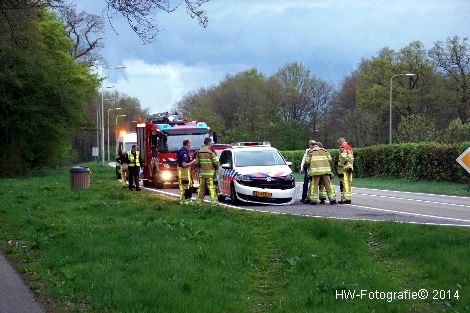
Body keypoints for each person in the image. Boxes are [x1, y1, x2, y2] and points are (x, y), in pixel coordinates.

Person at [195, 137, 219, 205]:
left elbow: (197, 163)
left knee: (201, 188)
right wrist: (216, 170)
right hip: (210, 174)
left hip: (202, 174)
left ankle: (199, 201)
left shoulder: (199, 152)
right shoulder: (211, 152)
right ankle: (214, 202)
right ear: (209, 143)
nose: (211, 144)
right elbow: (216, 163)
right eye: (211, 143)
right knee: (211, 188)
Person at [177, 139, 197, 204]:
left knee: (185, 186)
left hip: (183, 173)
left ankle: (183, 201)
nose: (190, 145)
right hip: (184, 173)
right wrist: (193, 162)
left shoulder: (182, 150)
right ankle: (186, 201)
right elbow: (184, 164)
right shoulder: (184, 152)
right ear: (187, 144)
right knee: (186, 186)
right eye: (190, 143)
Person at [337, 137, 354, 204]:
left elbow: (343, 158)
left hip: (344, 168)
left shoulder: (343, 147)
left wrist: (340, 166)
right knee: (349, 183)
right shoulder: (349, 147)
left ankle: (346, 199)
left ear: (341, 142)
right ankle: (347, 198)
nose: (339, 145)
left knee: (344, 184)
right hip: (350, 167)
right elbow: (351, 158)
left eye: (339, 143)